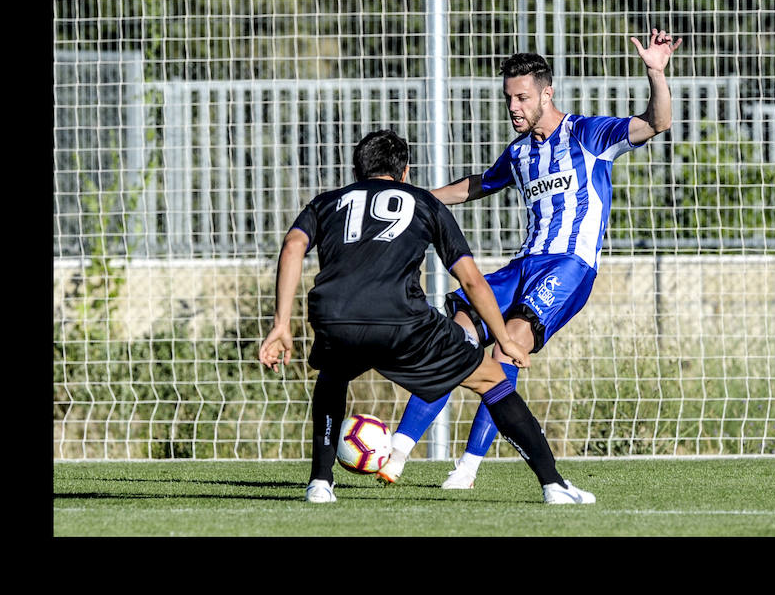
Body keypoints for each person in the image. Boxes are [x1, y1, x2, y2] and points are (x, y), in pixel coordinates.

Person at [378, 29, 683, 489]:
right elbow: (475, 185)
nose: (514, 108)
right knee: (451, 341)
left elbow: (657, 122)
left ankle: (468, 467)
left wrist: (655, 73)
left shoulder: (587, 135)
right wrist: (413, 199)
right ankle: (395, 455)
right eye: (508, 99)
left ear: (547, 92)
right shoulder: (520, 152)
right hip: (522, 266)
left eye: (522, 98)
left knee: (507, 348)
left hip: (568, 266)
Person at [258, 129, 596, 504]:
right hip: (403, 322)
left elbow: (292, 245)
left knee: (333, 376)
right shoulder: (423, 202)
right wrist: (503, 337)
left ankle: (320, 483)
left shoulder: (326, 202)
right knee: (493, 380)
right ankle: (553, 485)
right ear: (405, 173)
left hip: (336, 317)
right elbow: (470, 279)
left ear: (358, 171)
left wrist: (281, 324)